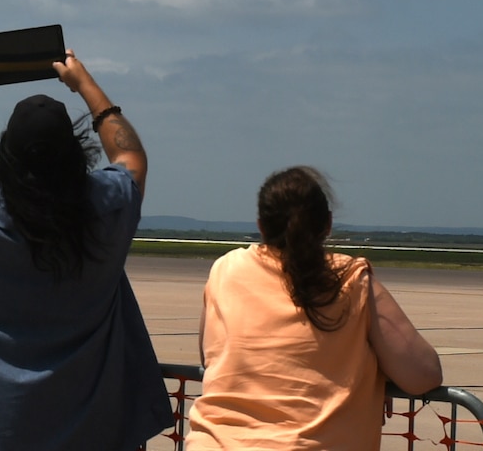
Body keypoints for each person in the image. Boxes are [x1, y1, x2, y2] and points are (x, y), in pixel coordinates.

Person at [0, 48, 173, 451]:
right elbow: (130, 155)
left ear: (4, 156)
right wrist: (84, 84)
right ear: (76, 155)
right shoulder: (107, 207)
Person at [186, 167, 442, 449]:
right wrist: (375, 376)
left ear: (261, 225)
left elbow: (211, 356)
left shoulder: (226, 269)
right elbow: (423, 375)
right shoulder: (350, 279)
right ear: (327, 224)